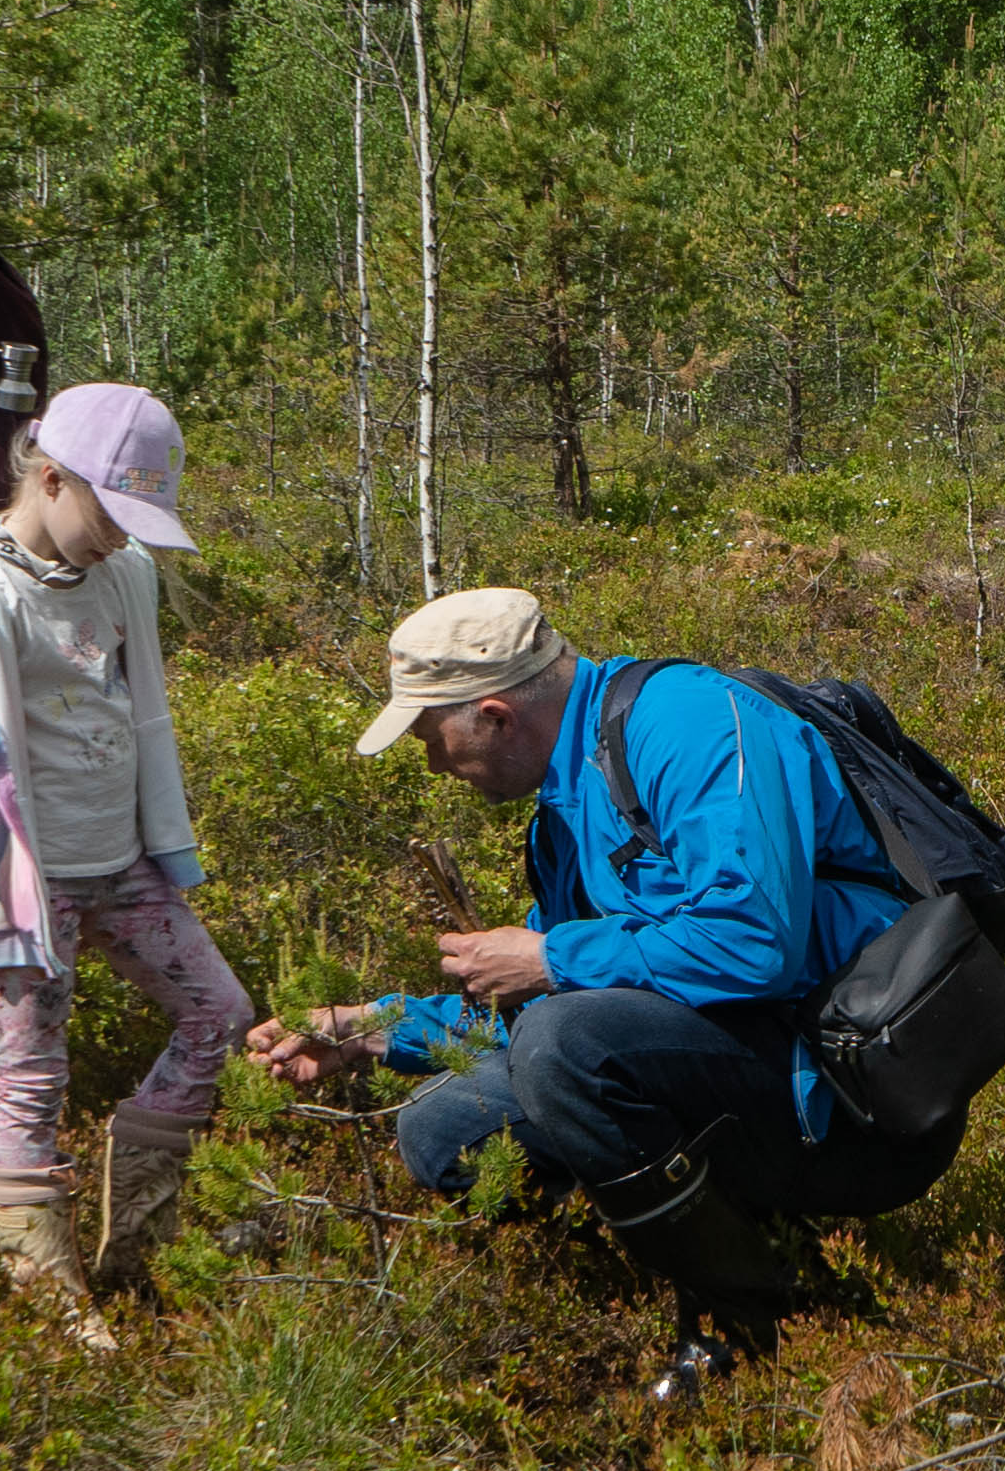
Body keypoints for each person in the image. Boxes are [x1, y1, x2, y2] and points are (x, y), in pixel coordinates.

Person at [246, 585, 957, 1392]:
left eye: (428, 735)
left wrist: (551, 959)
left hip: (858, 1100)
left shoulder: (685, 727)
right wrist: (376, 1029)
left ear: (494, 714)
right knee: (443, 1131)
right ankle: (742, 1248)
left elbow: (752, 945)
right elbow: (568, 989)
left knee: (565, 1046)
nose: (433, 763)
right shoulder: (568, 803)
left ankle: (753, 1327)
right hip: (750, 1067)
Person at [0, 387, 257, 1350]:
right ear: (49, 478)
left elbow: (137, 710)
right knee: (30, 1072)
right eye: (107, 514)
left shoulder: (123, 575)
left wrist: (162, 843)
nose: (115, 539)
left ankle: (136, 1223)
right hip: (22, 882)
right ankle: (47, 1290)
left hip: (124, 864)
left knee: (218, 1011)